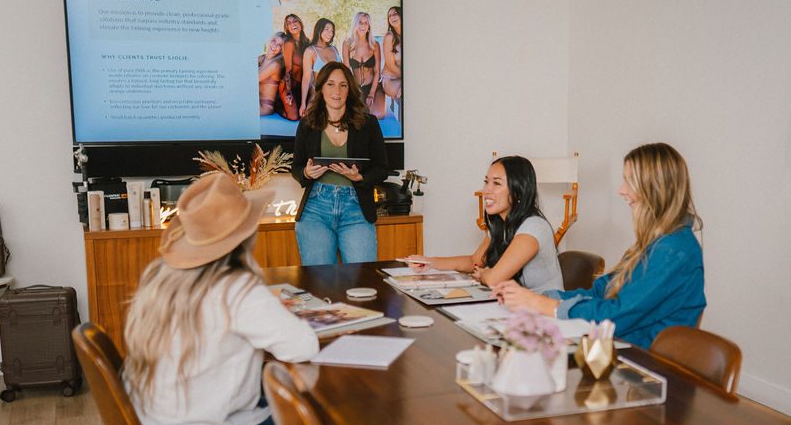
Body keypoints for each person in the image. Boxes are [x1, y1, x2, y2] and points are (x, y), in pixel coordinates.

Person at [123, 175, 320, 425]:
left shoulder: (162, 277)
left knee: (280, 387)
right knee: (325, 420)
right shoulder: (237, 290)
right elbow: (304, 345)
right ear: (245, 236)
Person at [492, 143, 705, 348]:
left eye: (630, 181)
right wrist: (536, 298)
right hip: (621, 347)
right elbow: (600, 291)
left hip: (644, 363)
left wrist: (541, 305)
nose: (622, 190)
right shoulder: (655, 243)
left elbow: (615, 315)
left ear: (656, 188)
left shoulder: (674, 251)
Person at [406, 156, 563, 292]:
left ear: (518, 191)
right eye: (486, 182)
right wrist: (430, 262)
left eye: (496, 183)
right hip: (517, 306)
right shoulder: (500, 224)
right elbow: (474, 261)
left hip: (544, 312)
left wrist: (484, 274)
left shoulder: (534, 227)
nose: (486, 190)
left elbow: (493, 279)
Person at [292, 61, 389, 265]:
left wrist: (360, 177)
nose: (336, 91)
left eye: (343, 85)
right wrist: (308, 173)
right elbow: (297, 167)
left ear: (349, 90)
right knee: (319, 284)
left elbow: (382, 168)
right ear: (321, 88)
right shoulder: (307, 124)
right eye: (330, 84)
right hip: (316, 210)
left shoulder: (368, 124)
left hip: (357, 209)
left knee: (363, 282)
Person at [342, 11, 385, 117]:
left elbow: (377, 71)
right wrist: (353, 92)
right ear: (355, 24)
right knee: (358, 113)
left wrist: (371, 94)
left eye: (366, 23)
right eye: (360, 22)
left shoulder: (374, 45)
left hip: (373, 86)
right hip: (356, 87)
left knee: (377, 114)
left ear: (369, 26)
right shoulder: (347, 43)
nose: (363, 25)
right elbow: (347, 70)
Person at [300, 17, 341, 117]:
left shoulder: (334, 49)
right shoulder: (310, 51)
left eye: (332, 31)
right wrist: (303, 103)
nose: (330, 33)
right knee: (310, 119)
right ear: (319, 29)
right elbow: (306, 79)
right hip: (319, 94)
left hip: (336, 93)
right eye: (327, 29)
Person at [281, 14, 308, 117]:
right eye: (289, 23)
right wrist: (288, 92)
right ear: (287, 28)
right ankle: (278, 105)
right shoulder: (289, 43)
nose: (293, 24)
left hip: (302, 87)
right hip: (289, 85)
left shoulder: (307, 42)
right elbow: (288, 69)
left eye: (295, 21)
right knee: (294, 117)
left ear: (300, 23)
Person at [258, 32, 290, 117]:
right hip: (255, 102)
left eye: (279, 45)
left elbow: (252, 79)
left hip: (264, 107)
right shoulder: (262, 58)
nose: (275, 46)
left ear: (281, 50)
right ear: (269, 40)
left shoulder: (276, 65)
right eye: (273, 41)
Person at [381, 6, 402, 103]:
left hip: (401, 78)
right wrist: (406, 78)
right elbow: (390, 65)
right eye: (389, 16)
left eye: (395, 14)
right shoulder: (389, 37)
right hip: (390, 80)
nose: (392, 17)